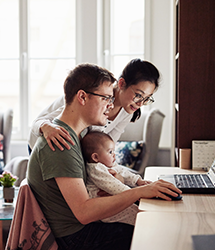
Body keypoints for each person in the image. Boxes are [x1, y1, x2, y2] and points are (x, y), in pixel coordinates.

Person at [27, 63, 182, 250]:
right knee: (151, 234)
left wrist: (126, 181)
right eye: (106, 98)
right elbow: (83, 212)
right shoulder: (62, 140)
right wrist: (137, 192)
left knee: (151, 224)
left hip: (79, 223)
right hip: (75, 234)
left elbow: (107, 154)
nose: (110, 106)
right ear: (83, 97)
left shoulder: (81, 135)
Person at [28, 58, 160, 153]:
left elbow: (108, 145)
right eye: (138, 95)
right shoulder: (92, 96)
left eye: (147, 98)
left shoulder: (127, 110)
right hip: (41, 141)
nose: (140, 103)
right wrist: (46, 127)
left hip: (70, 147)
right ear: (121, 84)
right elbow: (37, 122)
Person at [81, 130, 151, 226]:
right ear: (95, 157)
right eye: (110, 152)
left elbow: (123, 172)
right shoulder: (96, 169)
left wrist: (138, 181)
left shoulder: (108, 164)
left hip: (115, 199)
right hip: (105, 209)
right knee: (137, 216)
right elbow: (113, 186)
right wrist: (137, 194)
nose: (114, 154)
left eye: (114, 151)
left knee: (140, 211)